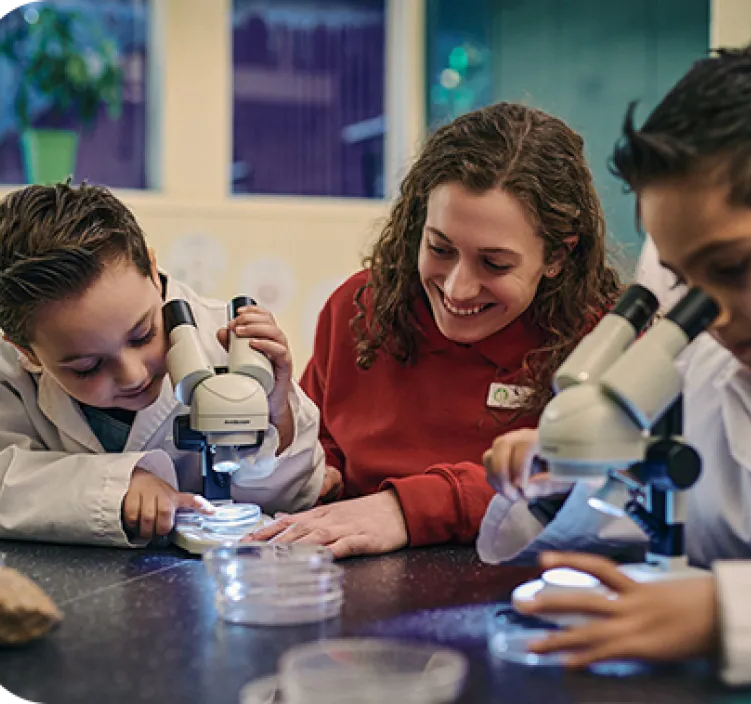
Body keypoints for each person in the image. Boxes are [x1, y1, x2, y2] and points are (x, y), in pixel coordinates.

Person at [477, 44, 751, 685]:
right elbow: (650, 525)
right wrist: (563, 482)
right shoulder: (707, 372)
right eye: (686, 285)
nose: (711, 318)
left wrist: (726, 615)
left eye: (733, 269)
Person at [247, 102, 623, 559]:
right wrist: (304, 461)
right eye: (440, 248)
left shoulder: (608, 342)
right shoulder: (359, 309)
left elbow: (606, 487)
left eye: (495, 263)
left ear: (558, 257)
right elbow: (324, 444)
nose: (458, 288)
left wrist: (409, 509)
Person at [0, 183, 326, 546]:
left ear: (152, 267)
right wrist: (118, 488)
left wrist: (276, 414)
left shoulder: (229, 340)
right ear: (26, 352)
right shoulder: (3, 377)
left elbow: (295, 498)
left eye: (142, 335)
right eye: (86, 367)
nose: (133, 375)